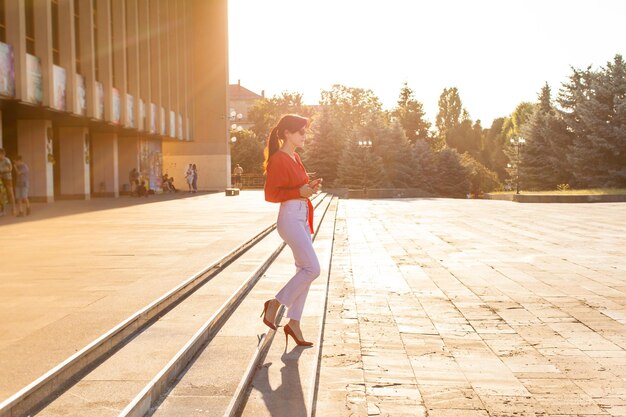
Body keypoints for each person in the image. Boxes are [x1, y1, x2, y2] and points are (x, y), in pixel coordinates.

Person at [260, 114, 323, 348]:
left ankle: (294, 322)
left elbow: (296, 187)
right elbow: (270, 195)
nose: (304, 135)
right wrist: (300, 192)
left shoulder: (295, 157)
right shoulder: (278, 159)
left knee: (303, 270)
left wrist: (308, 188)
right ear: (287, 133)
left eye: (305, 132)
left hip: (302, 216)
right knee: (312, 268)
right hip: (289, 218)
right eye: (301, 131)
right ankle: (275, 304)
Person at [0, 148, 16, 216]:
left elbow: (10, 168)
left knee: (10, 192)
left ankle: (14, 208)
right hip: (1, 178)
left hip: (7, 178)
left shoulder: (7, 160)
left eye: (0, 154)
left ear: (3, 154)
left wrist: (4, 171)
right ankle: (2, 209)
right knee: (1, 193)